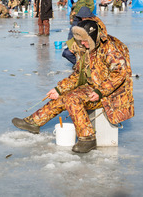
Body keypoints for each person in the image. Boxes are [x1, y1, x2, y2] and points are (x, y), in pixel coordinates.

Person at [12, 17, 134, 153]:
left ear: (93, 36)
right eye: (80, 40)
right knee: (64, 96)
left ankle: (87, 138)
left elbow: (120, 73)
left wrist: (100, 91)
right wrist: (59, 89)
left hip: (111, 94)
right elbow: (77, 75)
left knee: (72, 99)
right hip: (93, 87)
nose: (82, 43)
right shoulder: (87, 48)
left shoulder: (110, 48)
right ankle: (34, 123)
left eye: (84, 40)